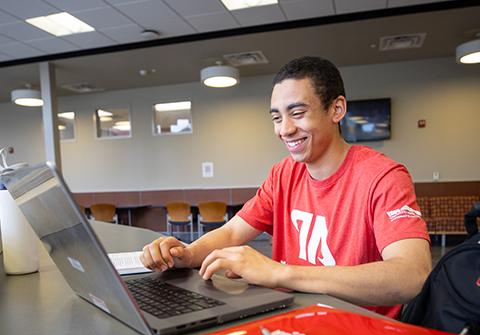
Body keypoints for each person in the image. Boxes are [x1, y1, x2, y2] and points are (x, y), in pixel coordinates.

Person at [141, 56, 431, 319]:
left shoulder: (382, 176)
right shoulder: (283, 174)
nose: (285, 129)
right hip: (292, 321)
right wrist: (187, 255)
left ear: (337, 109)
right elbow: (232, 232)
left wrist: (279, 273)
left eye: (298, 113)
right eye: (277, 117)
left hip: (361, 333)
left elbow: (411, 276)